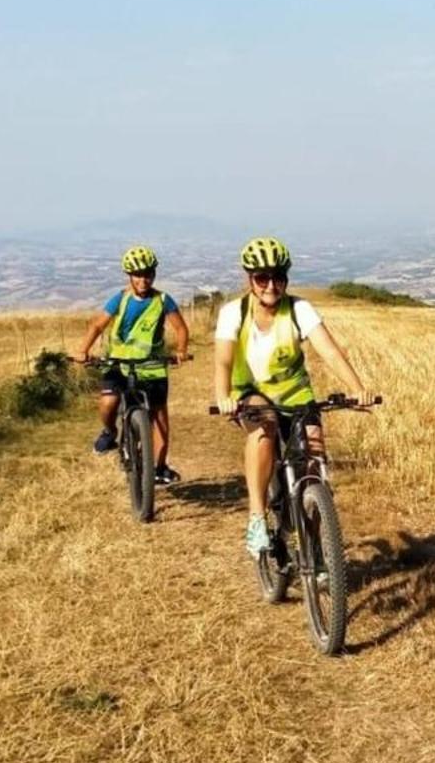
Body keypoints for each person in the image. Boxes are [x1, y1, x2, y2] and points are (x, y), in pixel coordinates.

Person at [211, 236, 371, 557]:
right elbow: (223, 361)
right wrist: (223, 395)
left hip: (296, 394)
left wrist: (357, 388)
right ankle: (257, 517)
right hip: (251, 393)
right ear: (249, 280)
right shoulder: (234, 313)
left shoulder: (299, 309)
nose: (271, 285)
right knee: (265, 428)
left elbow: (330, 350)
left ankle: (315, 547)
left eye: (278, 277)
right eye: (262, 277)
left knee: (313, 465)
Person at [75, 245, 193, 485]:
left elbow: (180, 328)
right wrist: (83, 350)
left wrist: (180, 350)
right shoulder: (121, 298)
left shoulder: (163, 300)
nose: (144, 279)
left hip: (151, 365)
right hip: (118, 363)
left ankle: (159, 467)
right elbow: (98, 325)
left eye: (148, 274)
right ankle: (110, 432)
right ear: (129, 276)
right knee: (109, 401)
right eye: (138, 274)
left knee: (159, 418)